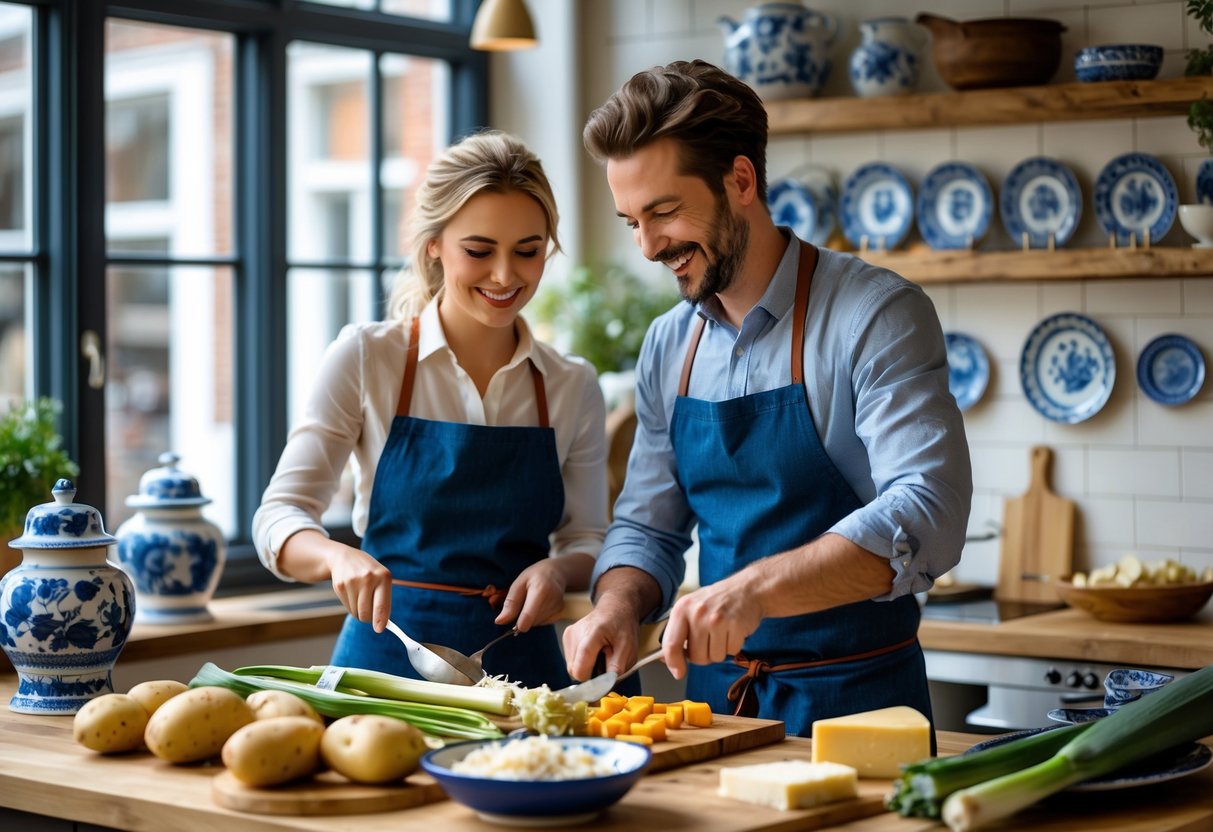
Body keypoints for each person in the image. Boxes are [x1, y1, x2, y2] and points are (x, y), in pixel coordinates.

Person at [561, 60, 973, 736]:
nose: (646, 245)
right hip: (713, 715)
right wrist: (616, 606)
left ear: (741, 181)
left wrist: (754, 592)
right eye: (631, 220)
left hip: (859, 707)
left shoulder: (875, 313)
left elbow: (928, 511)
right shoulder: (669, 345)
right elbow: (647, 527)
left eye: (663, 212)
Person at [253, 130, 608, 689]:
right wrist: (336, 557)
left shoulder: (571, 384)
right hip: (386, 672)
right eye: (479, 250)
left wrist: (559, 570)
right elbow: (277, 518)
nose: (504, 276)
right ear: (434, 245)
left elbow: (589, 538)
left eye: (528, 250)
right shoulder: (368, 358)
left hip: (527, 677)